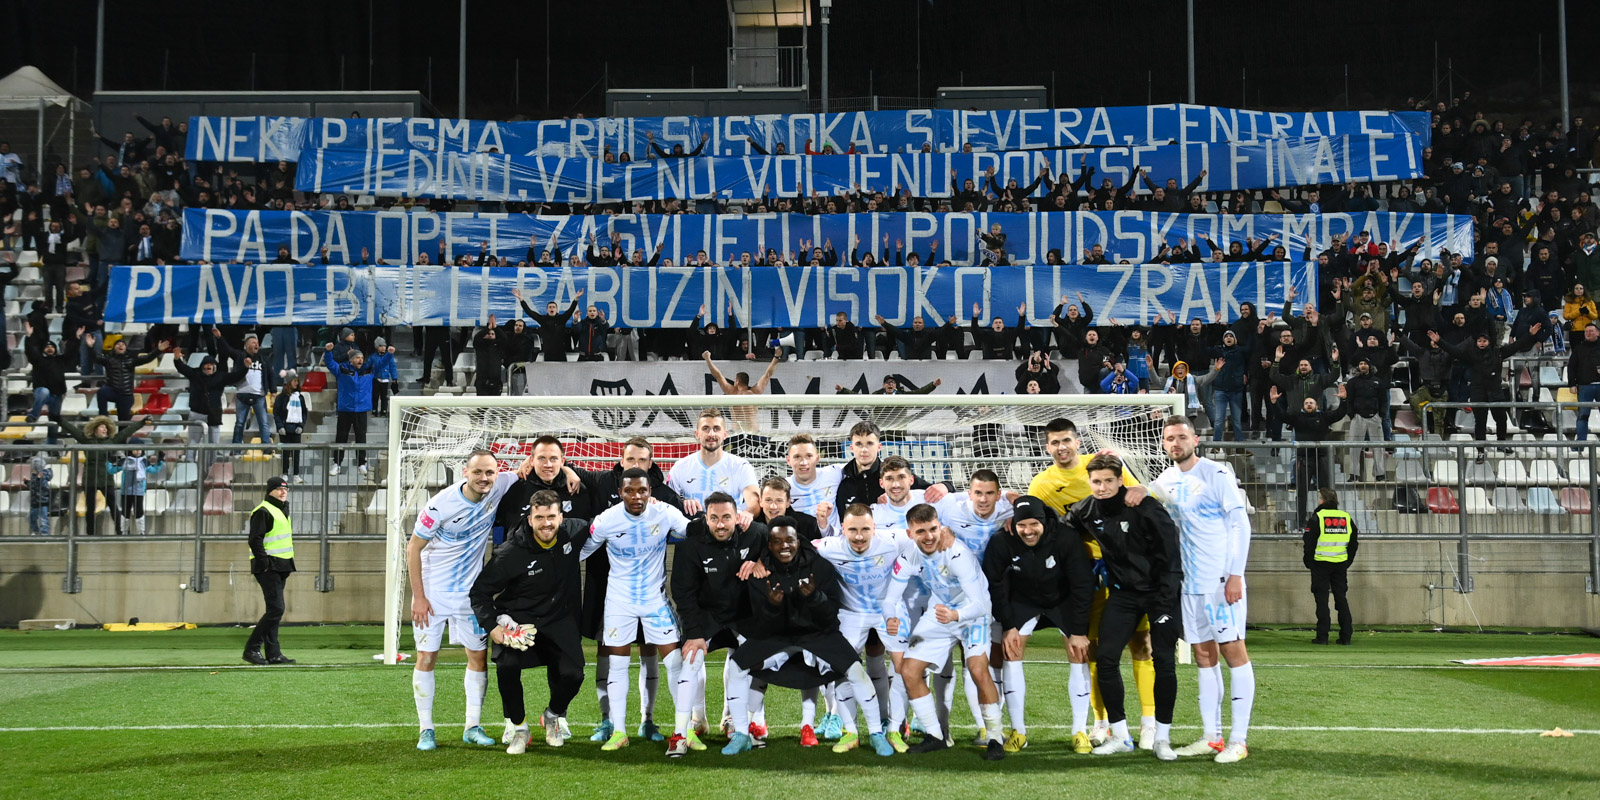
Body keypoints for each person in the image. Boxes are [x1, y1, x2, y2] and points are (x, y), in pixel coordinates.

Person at [1024, 417, 1154, 748]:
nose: (1061, 447)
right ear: (1047, 446)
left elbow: (1138, 495)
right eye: (1054, 442)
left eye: (1066, 440)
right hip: (1087, 576)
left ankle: (1149, 723)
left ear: (1078, 441)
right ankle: (1101, 722)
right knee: (1093, 649)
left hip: (1127, 571)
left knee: (1141, 643)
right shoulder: (1041, 485)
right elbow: (1040, 526)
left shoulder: (1103, 466)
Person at [408, 449, 535, 752]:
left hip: (471, 596)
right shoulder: (440, 505)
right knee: (426, 657)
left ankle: (472, 726)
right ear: (465, 473)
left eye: (489, 472)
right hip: (434, 594)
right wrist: (419, 597)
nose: (484, 478)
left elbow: (527, 468)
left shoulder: (500, 484)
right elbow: (413, 548)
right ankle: (426, 729)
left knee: (478, 658)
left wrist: (568, 471)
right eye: (478, 472)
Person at [1150, 415, 1255, 764]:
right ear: (1164, 444)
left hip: (1220, 581)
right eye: (1169, 438)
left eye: (1181, 437)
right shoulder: (1165, 480)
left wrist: (1235, 574)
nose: (1175, 443)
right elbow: (1141, 498)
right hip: (1189, 585)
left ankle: (1238, 740)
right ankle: (1212, 736)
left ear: (1195, 440)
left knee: (1232, 651)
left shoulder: (1216, 473)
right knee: (1203, 656)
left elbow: (1240, 523)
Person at [1066, 455, 1185, 760]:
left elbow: (1171, 554)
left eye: (1108, 481)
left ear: (1120, 481)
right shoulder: (1086, 510)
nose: (1102, 487)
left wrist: (1167, 596)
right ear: (1089, 482)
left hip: (1160, 593)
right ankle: (1120, 735)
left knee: (1163, 661)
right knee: (1105, 658)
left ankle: (1162, 738)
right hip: (1122, 595)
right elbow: (1059, 530)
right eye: (1096, 481)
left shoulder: (1144, 507)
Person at [721, 519, 859, 756]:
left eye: (789, 540)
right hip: (776, 634)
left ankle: (858, 729)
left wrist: (814, 598)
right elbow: (760, 618)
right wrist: (772, 604)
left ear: (799, 540)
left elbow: (830, 612)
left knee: (849, 666)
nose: (783, 545)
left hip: (815, 632)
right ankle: (741, 730)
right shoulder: (761, 565)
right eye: (777, 541)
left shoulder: (817, 564)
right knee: (740, 665)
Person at [578, 468, 693, 752]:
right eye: (629, 491)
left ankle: (685, 731)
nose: (636, 496)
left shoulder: (664, 513)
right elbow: (582, 552)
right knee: (617, 666)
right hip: (619, 602)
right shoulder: (607, 520)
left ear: (650, 491)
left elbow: (692, 533)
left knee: (676, 663)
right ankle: (619, 732)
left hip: (655, 600)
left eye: (642, 490)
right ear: (620, 492)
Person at [468, 490, 592, 753]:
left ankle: (552, 716)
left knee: (574, 674)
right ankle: (519, 728)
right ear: (530, 519)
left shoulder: (576, 531)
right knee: (507, 668)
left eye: (551, 517)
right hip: (519, 621)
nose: (546, 523)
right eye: (539, 517)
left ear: (561, 517)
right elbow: (479, 592)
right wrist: (493, 627)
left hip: (560, 620)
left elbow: (609, 522)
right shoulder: (511, 552)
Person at [886, 504, 1005, 760]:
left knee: (977, 670)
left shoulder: (956, 553)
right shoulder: (908, 556)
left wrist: (955, 615)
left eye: (933, 529)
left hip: (972, 615)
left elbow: (981, 604)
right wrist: (890, 617)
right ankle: (936, 736)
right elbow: (890, 598)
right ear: (910, 534)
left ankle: (995, 737)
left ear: (940, 526)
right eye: (921, 531)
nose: (929, 536)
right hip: (940, 614)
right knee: (908, 670)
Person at [982, 495, 1094, 753]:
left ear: (1044, 521)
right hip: (1022, 600)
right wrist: (1008, 625)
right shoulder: (1001, 541)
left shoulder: (1065, 538)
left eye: (1034, 524)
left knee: (1078, 652)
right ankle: (1018, 732)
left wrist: (1078, 631)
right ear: (1014, 523)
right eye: (1022, 525)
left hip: (1062, 599)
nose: (1028, 531)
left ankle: (1079, 730)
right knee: (1011, 651)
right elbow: (995, 586)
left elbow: (1082, 584)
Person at [666, 492, 767, 757]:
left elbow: (783, 544)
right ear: (705, 519)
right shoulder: (690, 545)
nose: (720, 524)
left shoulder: (755, 533)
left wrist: (762, 560)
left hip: (742, 616)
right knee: (689, 660)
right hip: (706, 616)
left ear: (737, 517)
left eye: (726, 518)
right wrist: (695, 633)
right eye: (714, 518)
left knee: (752, 663)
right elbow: (682, 591)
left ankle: (738, 723)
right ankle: (680, 732)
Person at [811, 504, 902, 756]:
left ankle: (892, 726)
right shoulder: (829, 547)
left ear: (875, 528)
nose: (859, 536)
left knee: (903, 666)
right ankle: (850, 731)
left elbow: (925, 535)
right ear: (842, 529)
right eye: (852, 530)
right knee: (841, 667)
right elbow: (796, 548)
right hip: (850, 614)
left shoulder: (893, 540)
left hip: (887, 611)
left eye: (865, 529)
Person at [243, 477, 296, 665]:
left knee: (274, 610)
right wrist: (264, 562)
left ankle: (274, 653)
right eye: (279, 489)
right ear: (270, 491)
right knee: (276, 609)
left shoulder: (281, 509)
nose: (283, 492)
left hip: (281, 565)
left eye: (286, 489)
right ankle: (252, 648)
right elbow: (254, 539)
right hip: (269, 566)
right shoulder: (263, 510)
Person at [666, 408, 760, 514]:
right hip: (694, 526)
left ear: (725, 434)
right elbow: (667, 503)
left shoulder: (741, 466)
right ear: (697, 434)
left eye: (716, 428)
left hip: (730, 528)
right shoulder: (680, 467)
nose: (711, 434)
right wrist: (682, 502)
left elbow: (754, 502)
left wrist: (747, 514)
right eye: (705, 428)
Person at [57, 416, 140, 535]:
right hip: (90, 478)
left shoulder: (111, 441)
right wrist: (59, 420)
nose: (105, 429)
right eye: (102, 427)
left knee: (113, 506)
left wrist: (142, 423)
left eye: (106, 427)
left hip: (106, 477)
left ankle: (122, 531)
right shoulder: (86, 440)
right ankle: (90, 533)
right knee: (90, 508)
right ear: (95, 429)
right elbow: (72, 430)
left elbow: (127, 431)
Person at [1303, 488, 1359, 646]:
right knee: (1341, 599)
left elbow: (1309, 543)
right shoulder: (1346, 517)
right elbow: (1354, 543)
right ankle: (1346, 636)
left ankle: (1322, 637)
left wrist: (1309, 562)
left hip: (1320, 564)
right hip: (1340, 564)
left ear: (1322, 501)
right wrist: (1347, 561)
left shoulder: (1317, 518)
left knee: (1322, 600)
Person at [703, 349, 780, 449]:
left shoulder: (732, 393)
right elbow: (768, 374)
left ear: (737, 381)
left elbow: (718, 376)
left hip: (737, 434)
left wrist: (708, 359)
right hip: (754, 433)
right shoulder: (754, 393)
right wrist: (776, 357)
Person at [214, 330, 277, 447]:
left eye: (257, 343)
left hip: (259, 395)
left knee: (263, 423)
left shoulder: (264, 359)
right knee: (239, 423)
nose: (256, 344)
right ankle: (236, 448)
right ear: (246, 345)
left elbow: (271, 375)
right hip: (242, 394)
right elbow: (227, 349)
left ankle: (266, 446)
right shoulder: (240, 356)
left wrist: (273, 391)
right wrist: (219, 338)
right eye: (253, 342)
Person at [172, 347, 245, 445]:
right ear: (202, 366)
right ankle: (189, 460)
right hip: (197, 413)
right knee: (193, 442)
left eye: (211, 364)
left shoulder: (221, 377)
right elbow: (182, 368)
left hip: (214, 414)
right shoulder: (195, 374)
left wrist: (245, 368)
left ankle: (211, 461)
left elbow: (236, 376)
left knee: (213, 443)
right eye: (206, 364)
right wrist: (177, 359)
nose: (208, 366)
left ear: (214, 366)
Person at [323, 342, 375, 477]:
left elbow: (381, 363)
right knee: (341, 437)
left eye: (362, 358)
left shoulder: (368, 370)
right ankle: (337, 463)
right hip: (345, 409)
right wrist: (328, 352)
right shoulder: (342, 369)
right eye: (358, 358)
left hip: (361, 409)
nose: (360, 360)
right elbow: (330, 364)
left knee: (361, 437)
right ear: (351, 360)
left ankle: (361, 464)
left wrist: (389, 354)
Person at [516, 287, 583, 361]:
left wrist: (576, 298)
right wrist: (521, 300)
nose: (552, 308)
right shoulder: (542, 319)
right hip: (548, 353)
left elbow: (571, 310)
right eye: (550, 307)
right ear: (547, 310)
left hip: (561, 353)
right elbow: (529, 312)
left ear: (556, 309)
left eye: (554, 307)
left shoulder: (562, 319)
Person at [113, 440, 161, 536]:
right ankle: (124, 531)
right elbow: (112, 470)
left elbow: (154, 470)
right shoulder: (124, 461)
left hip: (138, 491)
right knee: (125, 512)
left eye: (140, 449)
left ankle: (141, 532)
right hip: (126, 491)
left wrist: (160, 462)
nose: (138, 451)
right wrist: (109, 462)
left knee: (139, 511)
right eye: (135, 449)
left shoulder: (144, 461)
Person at [273, 373, 312, 483]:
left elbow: (304, 413)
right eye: (294, 380)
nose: (296, 383)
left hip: (296, 429)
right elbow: (277, 413)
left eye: (297, 381)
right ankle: (284, 473)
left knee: (296, 453)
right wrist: (280, 426)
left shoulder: (300, 397)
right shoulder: (281, 397)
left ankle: (296, 474)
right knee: (285, 452)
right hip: (285, 429)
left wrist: (301, 425)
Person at [28, 454, 52, 536]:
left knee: (43, 519)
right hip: (34, 502)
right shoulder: (34, 476)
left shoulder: (43, 476)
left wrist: (39, 479)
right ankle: (36, 532)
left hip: (42, 501)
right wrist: (27, 482)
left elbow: (43, 487)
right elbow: (33, 486)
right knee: (32, 518)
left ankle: (45, 534)